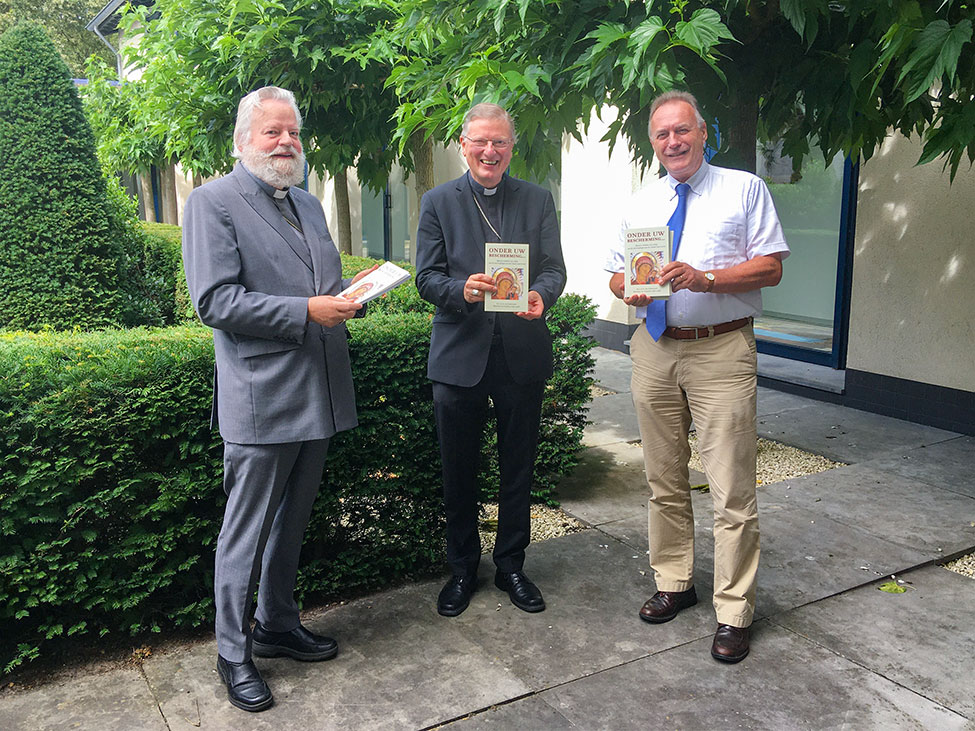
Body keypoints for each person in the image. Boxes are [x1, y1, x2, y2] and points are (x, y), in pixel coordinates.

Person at [182, 86, 377, 712]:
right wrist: (309, 309)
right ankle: (233, 652)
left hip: (318, 391)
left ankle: (277, 623)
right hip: (263, 397)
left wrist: (353, 292)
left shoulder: (308, 203)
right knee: (246, 531)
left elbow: (320, 282)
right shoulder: (213, 203)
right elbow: (215, 302)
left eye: (292, 131)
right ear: (244, 141)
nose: (287, 142)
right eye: (272, 132)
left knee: (293, 521)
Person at [606, 90, 789, 663]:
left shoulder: (743, 189)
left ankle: (734, 611)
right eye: (662, 135)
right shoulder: (642, 202)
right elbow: (615, 274)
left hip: (720, 350)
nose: (673, 142)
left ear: (703, 132)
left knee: (732, 487)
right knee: (662, 478)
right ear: (653, 142)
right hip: (654, 346)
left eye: (682, 131)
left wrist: (707, 279)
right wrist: (628, 287)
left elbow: (771, 266)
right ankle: (674, 582)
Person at [415, 103, 566, 617]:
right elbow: (426, 278)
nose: (489, 151)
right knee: (458, 470)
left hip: (521, 354)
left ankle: (511, 566)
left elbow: (553, 269)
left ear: (511, 147)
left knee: (517, 468)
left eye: (499, 142)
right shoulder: (438, 202)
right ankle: (462, 569)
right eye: (480, 141)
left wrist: (543, 296)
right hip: (460, 356)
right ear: (463, 145)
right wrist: (463, 288)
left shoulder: (538, 199)